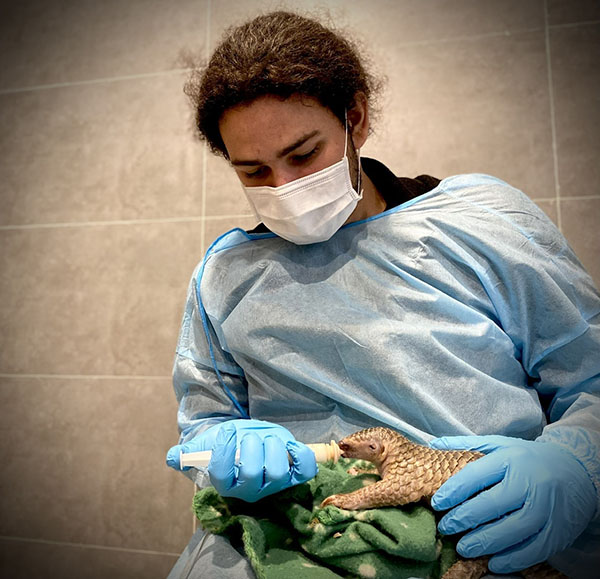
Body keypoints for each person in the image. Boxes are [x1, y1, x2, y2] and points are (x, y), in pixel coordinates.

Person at [165, 10, 600, 579]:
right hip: (285, 539)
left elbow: (589, 377)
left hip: (479, 530)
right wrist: (224, 451)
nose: (284, 187)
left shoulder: (479, 223)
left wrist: (575, 465)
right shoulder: (226, 275)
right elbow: (207, 423)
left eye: (303, 155)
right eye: (254, 171)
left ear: (356, 118)